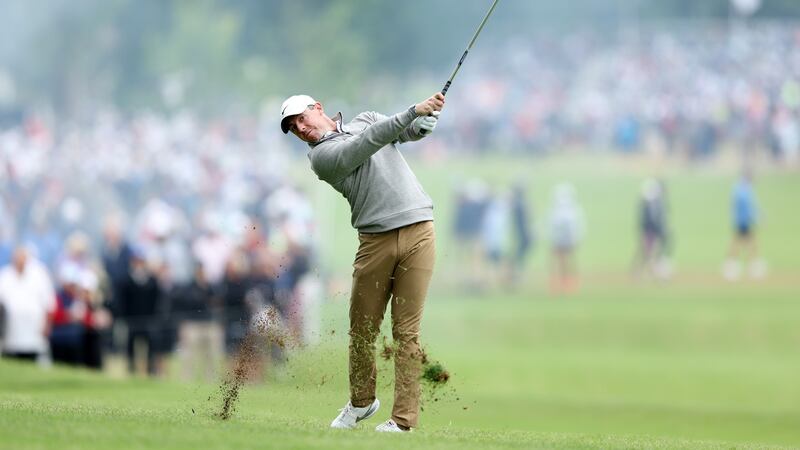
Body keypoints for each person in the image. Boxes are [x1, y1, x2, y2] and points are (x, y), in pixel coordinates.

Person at [280, 92, 443, 432]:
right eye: (293, 127)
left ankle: (402, 422)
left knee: (406, 332)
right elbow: (369, 143)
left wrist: (423, 124)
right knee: (363, 329)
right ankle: (362, 402)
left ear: (317, 108)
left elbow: (401, 133)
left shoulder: (367, 118)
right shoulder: (321, 157)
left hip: (419, 231)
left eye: (301, 117)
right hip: (375, 240)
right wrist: (414, 110)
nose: (300, 127)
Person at [0, 247, 56, 363]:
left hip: (34, 329)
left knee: (35, 356)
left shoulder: (39, 274)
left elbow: (49, 302)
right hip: (11, 331)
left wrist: (47, 324)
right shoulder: (5, 275)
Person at [723, 171, 766, 280]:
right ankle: (751, 267)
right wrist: (757, 218)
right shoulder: (744, 190)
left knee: (740, 242)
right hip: (743, 221)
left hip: (739, 220)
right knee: (748, 242)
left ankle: (733, 266)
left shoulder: (739, 188)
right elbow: (748, 208)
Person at [547, 183, 585, 294]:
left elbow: (555, 226)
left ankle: (565, 281)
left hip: (562, 239)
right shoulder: (572, 210)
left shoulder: (561, 211)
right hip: (564, 239)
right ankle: (566, 281)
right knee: (565, 260)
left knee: (562, 260)